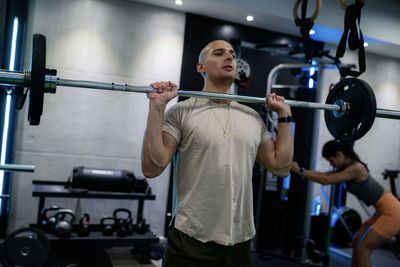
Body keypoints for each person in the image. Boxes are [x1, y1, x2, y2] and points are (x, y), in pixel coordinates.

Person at [142, 40, 294, 267]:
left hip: (240, 241)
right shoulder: (182, 111)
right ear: (201, 67)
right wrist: (157, 107)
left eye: (232, 54)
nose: (230, 57)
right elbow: (152, 167)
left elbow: (281, 167)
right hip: (190, 239)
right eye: (219, 53)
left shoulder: (252, 117)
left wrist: (284, 116)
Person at [291, 140, 400, 267]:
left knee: (363, 248)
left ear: (339, 155)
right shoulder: (348, 167)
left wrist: (300, 171)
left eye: (331, 161)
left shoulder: (356, 168)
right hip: (382, 211)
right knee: (356, 242)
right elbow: (325, 175)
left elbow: (326, 180)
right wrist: (301, 170)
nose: (331, 165)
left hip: (392, 213)